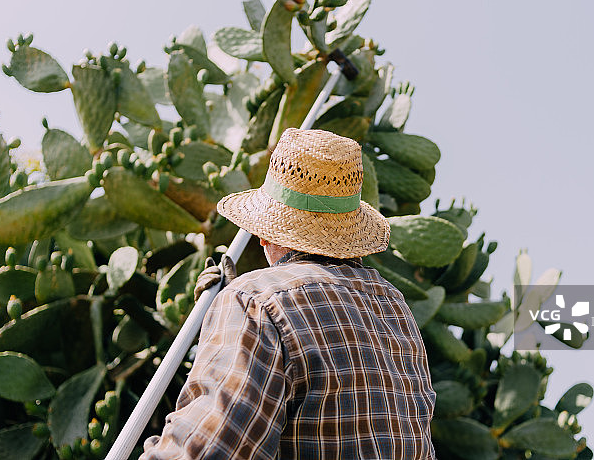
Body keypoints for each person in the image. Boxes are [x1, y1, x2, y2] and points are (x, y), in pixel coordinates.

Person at [141, 128, 435, 459]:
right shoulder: (395, 307)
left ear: (265, 233)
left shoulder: (253, 301)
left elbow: (212, 449)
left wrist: (233, 313)